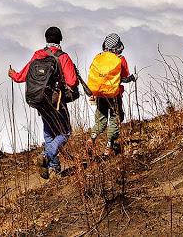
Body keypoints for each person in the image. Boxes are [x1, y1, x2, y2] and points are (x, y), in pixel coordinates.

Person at [8, 26, 78, 179]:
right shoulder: (63, 57)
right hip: (56, 101)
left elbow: (22, 76)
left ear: (46, 40)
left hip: (39, 100)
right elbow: (72, 82)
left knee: (49, 133)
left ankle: (54, 169)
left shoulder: (38, 55)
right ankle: (46, 155)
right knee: (65, 132)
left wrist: (13, 75)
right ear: (60, 40)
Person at [86, 33, 136, 157]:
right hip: (115, 95)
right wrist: (132, 78)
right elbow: (123, 78)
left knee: (101, 120)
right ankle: (109, 146)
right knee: (116, 117)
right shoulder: (120, 59)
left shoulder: (98, 57)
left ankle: (91, 138)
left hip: (100, 95)